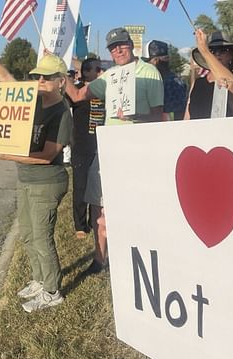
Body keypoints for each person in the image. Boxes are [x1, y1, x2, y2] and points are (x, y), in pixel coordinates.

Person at [0, 21, 72, 312]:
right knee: (27, 234)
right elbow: (5, 78)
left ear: (61, 80)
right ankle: (39, 280)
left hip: (47, 181)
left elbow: (46, 155)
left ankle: (52, 291)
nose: (40, 82)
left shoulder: (61, 113)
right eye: (37, 77)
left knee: (42, 236)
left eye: (47, 78)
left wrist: (6, 156)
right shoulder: (33, 99)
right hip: (27, 180)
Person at [65, 27, 164, 273]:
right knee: (98, 204)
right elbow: (77, 96)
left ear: (131, 45)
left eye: (122, 45)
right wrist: (60, 72)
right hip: (108, 148)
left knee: (135, 206)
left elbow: (158, 115)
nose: (118, 50)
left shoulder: (149, 72)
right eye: (112, 47)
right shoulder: (109, 76)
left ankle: (136, 257)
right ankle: (100, 259)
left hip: (137, 149)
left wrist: (134, 115)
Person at [68, 58, 105, 245]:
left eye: (101, 68)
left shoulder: (105, 88)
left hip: (101, 145)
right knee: (81, 186)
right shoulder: (77, 90)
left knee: (98, 188)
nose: (100, 71)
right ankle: (81, 225)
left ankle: (94, 220)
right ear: (86, 72)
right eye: (96, 69)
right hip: (82, 145)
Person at [186, 30, 233, 119]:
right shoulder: (198, 83)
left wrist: (205, 51)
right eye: (213, 50)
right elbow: (187, 116)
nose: (217, 54)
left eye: (223, 50)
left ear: (231, 55)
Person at [144, 40, 188, 121]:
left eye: (147, 62)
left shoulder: (159, 83)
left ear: (155, 61)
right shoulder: (179, 81)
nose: (145, 66)